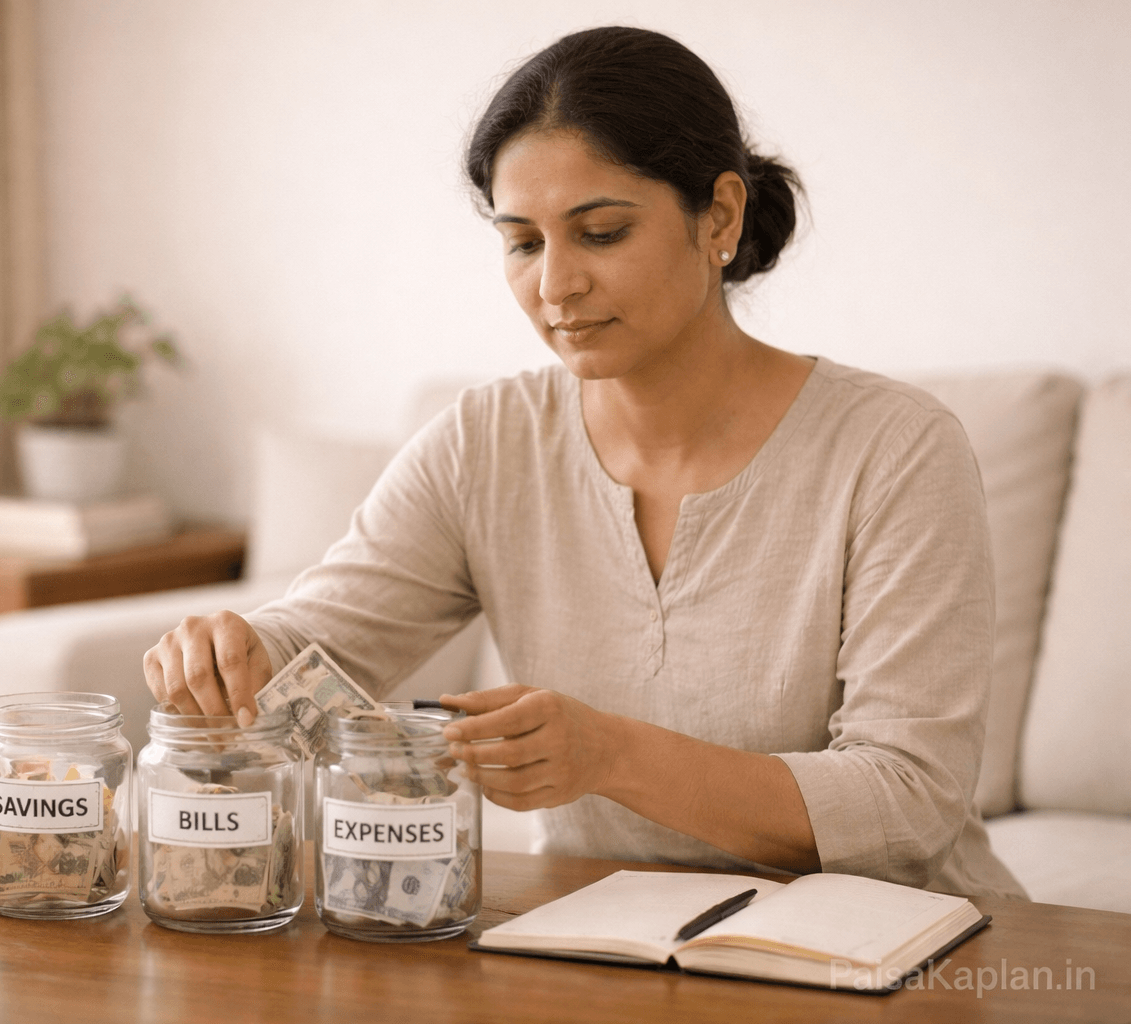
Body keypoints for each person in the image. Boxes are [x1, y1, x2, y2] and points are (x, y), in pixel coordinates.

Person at [142, 26, 1025, 898]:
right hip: (608, 943)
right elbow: (318, 642)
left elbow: (909, 804)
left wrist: (611, 753)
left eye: (599, 233)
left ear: (719, 215)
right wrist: (235, 651)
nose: (555, 286)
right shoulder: (486, 441)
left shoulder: (896, 448)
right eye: (523, 242)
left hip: (900, 949)